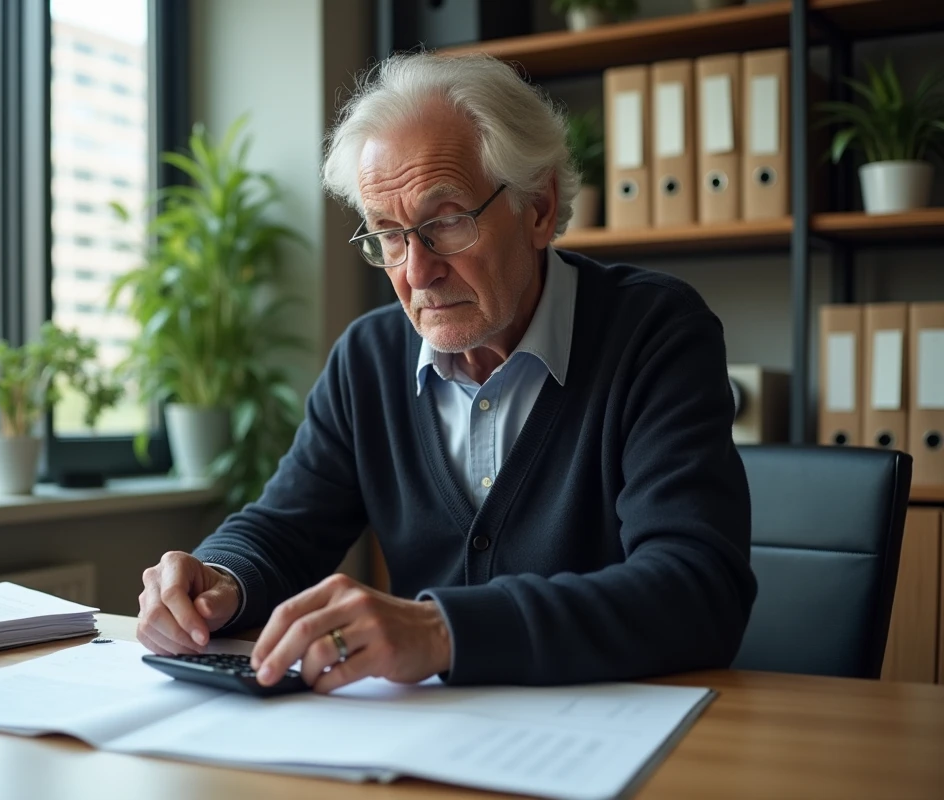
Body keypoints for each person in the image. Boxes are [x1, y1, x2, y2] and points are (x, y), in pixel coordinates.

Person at [136, 51, 757, 692]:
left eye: (446, 223)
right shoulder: (368, 359)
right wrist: (219, 578)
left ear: (538, 208)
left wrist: (440, 632)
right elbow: (287, 528)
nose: (416, 271)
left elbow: (698, 587)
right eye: (389, 234)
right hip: (429, 745)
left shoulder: (655, 333)